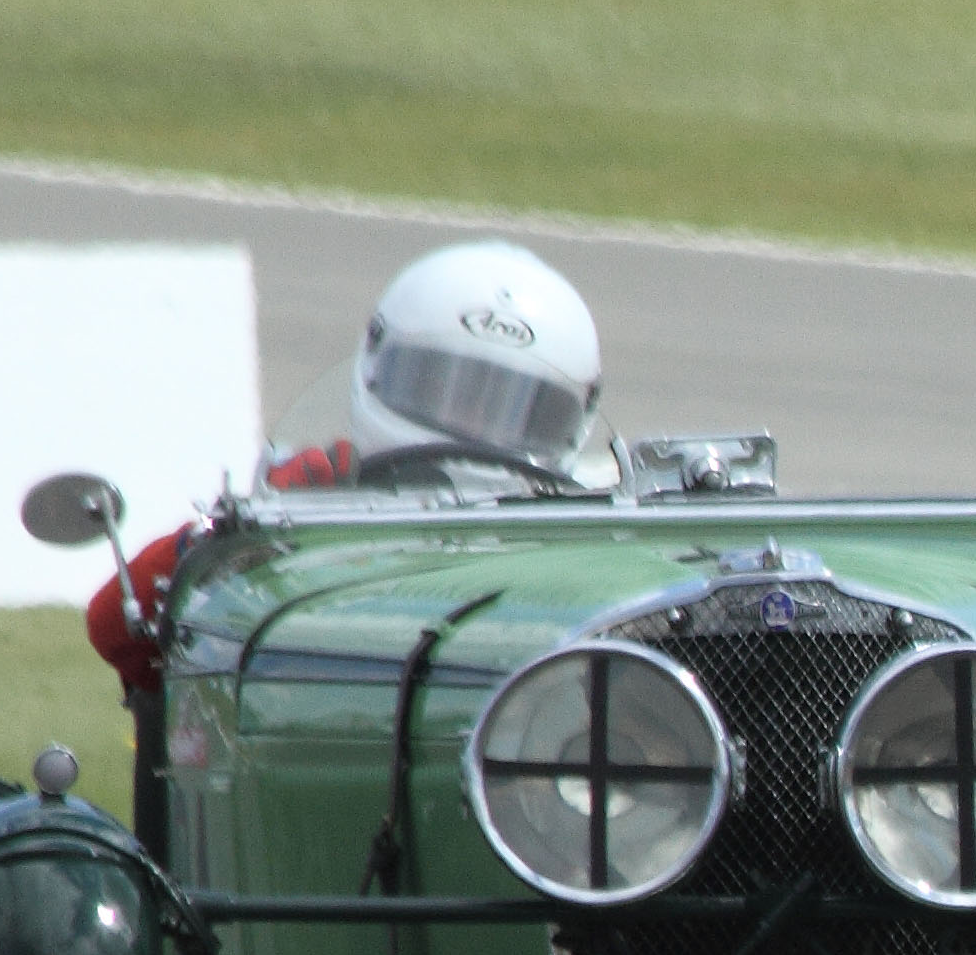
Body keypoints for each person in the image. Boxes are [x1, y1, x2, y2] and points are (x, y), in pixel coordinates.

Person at [85, 242, 608, 689]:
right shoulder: (310, 490)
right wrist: (232, 536)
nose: (467, 423)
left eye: (510, 408)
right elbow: (114, 625)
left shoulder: (579, 542)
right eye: (441, 388)